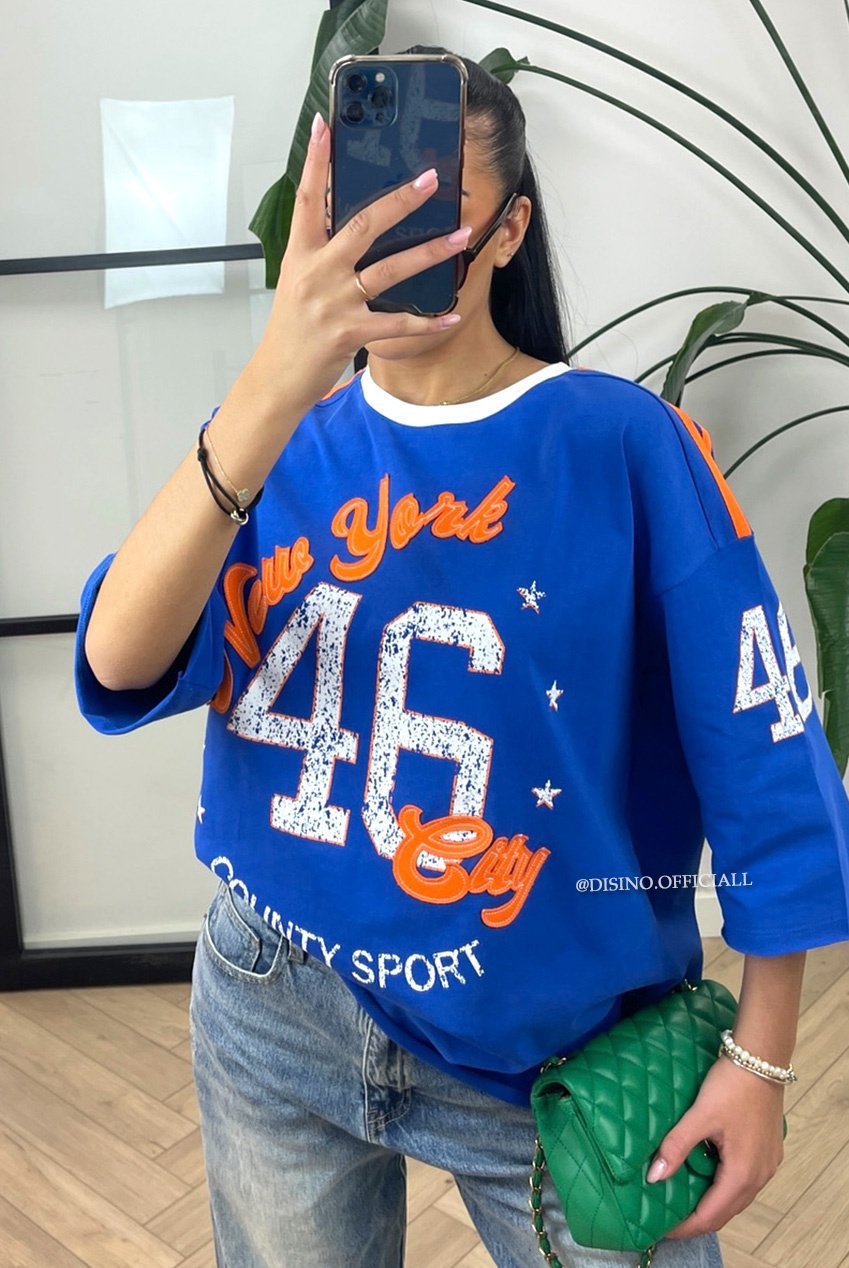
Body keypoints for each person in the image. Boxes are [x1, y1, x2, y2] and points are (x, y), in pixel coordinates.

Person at [74, 44, 849, 1268]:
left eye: (427, 211)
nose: (383, 246)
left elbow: (766, 761)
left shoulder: (627, 447)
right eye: (356, 212)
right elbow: (119, 660)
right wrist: (272, 383)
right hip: (275, 1004)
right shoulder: (274, 438)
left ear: (508, 230)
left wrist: (761, 1055)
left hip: (561, 1054)